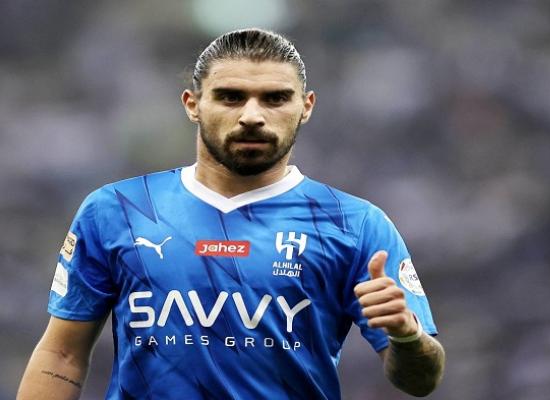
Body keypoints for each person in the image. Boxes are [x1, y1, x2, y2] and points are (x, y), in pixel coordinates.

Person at [17, 28, 445, 399]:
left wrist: (407, 336)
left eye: (275, 98)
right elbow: (62, 354)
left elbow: (421, 381)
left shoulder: (356, 225)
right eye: (230, 97)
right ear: (193, 104)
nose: (252, 116)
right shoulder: (116, 210)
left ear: (307, 106)